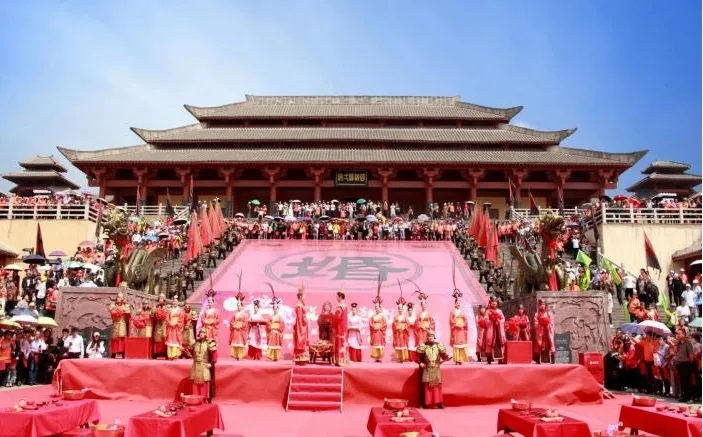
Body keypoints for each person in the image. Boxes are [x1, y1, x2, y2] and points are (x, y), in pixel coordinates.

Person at [415, 330, 450, 409]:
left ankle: (439, 403)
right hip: (427, 368)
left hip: (436, 368)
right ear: (427, 337)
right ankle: (426, 403)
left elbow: (444, 355)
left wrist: (447, 357)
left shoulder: (438, 346)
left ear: (434, 337)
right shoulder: (423, 346)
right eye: (429, 336)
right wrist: (420, 363)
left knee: (437, 386)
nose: (430, 338)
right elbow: (416, 357)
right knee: (427, 386)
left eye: (432, 336)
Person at [190, 328, 217, 402]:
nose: (202, 334)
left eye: (203, 332)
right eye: (201, 332)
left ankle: (204, 399)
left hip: (204, 365)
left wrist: (211, 363)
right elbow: (191, 351)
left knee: (204, 381)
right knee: (195, 382)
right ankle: (195, 399)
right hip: (196, 365)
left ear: (206, 334)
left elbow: (214, 354)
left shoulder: (210, 342)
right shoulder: (196, 343)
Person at [482, 297, 506, 364]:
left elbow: (503, 319)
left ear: (497, 303)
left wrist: (499, 321)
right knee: (489, 343)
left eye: (495, 303)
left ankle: (500, 360)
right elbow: (486, 319)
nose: (494, 304)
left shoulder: (499, 311)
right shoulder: (488, 311)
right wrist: (491, 321)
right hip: (491, 329)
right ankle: (489, 359)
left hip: (498, 330)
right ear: (491, 303)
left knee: (499, 343)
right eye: (493, 303)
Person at [449, 289, 469, 364]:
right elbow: (451, 320)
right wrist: (456, 325)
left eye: (459, 303)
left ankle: (461, 359)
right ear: (455, 303)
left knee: (462, 344)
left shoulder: (462, 311)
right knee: (456, 343)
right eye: (457, 303)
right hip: (456, 329)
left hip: (462, 329)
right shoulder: (452, 312)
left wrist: (463, 325)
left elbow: (466, 320)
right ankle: (457, 359)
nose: (458, 304)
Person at [108, 292, 130, 358]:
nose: (118, 298)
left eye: (120, 297)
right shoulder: (113, 305)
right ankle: (114, 353)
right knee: (114, 338)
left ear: (122, 298)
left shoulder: (125, 306)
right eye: (117, 297)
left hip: (122, 324)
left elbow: (128, 314)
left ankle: (122, 352)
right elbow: (111, 312)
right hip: (115, 324)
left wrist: (123, 310)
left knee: (122, 337)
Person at [229, 292, 249, 360]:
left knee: (240, 342)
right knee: (235, 342)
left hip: (240, 330)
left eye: (239, 305)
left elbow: (245, 323)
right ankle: (235, 355)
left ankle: (240, 355)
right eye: (237, 305)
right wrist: (234, 326)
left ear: (242, 306)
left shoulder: (244, 314)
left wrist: (240, 326)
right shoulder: (235, 314)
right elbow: (231, 322)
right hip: (235, 329)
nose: (238, 306)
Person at [534, 300, 555, 364]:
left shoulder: (549, 313)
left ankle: (552, 358)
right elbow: (536, 323)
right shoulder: (537, 314)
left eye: (543, 304)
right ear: (539, 306)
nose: (542, 306)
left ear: (545, 305)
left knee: (550, 342)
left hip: (547, 330)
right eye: (541, 305)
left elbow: (551, 322)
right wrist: (540, 326)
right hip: (540, 330)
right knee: (539, 343)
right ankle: (538, 359)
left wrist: (548, 326)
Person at [293, 286, 309, 365]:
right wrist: (305, 322)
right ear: (300, 296)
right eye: (304, 295)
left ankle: (301, 359)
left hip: (302, 326)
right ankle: (300, 359)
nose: (305, 297)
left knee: (302, 342)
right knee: (300, 341)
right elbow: (300, 319)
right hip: (300, 326)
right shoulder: (299, 306)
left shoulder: (301, 305)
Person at [369, 294, 387, 362]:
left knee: (379, 344)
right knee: (375, 344)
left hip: (380, 331)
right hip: (375, 331)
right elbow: (370, 323)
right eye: (375, 307)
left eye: (377, 307)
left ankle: (379, 357)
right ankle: (376, 357)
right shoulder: (373, 316)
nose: (376, 308)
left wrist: (379, 328)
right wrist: (374, 327)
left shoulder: (383, 315)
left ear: (380, 307)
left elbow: (385, 324)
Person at [332, 291, 348, 366]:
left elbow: (337, 317)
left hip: (339, 327)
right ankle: (344, 360)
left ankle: (339, 360)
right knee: (343, 342)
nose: (336, 298)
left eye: (337, 297)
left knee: (339, 342)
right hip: (344, 327)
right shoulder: (345, 306)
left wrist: (333, 325)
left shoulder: (340, 307)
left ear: (340, 297)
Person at [392, 298, 410, 363]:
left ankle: (403, 357)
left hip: (403, 333)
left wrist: (404, 327)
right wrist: (397, 327)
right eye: (399, 308)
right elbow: (393, 324)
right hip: (397, 333)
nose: (400, 310)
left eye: (401, 308)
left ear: (403, 309)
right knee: (398, 345)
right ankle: (398, 358)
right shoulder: (395, 317)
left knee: (403, 345)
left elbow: (408, 324)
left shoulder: (405, 317)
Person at [152, 293, 168, 358]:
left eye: (162, 298)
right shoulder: (156, 306)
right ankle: (156, 353)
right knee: (157, 337)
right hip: (158, 324)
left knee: (164, 337)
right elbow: (152, 315)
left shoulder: (167, 307)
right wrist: (154, 312)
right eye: (160, 298)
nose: (161, 299)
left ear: (164, 299)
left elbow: (169, 315)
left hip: (164, 324)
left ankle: (165, 353)